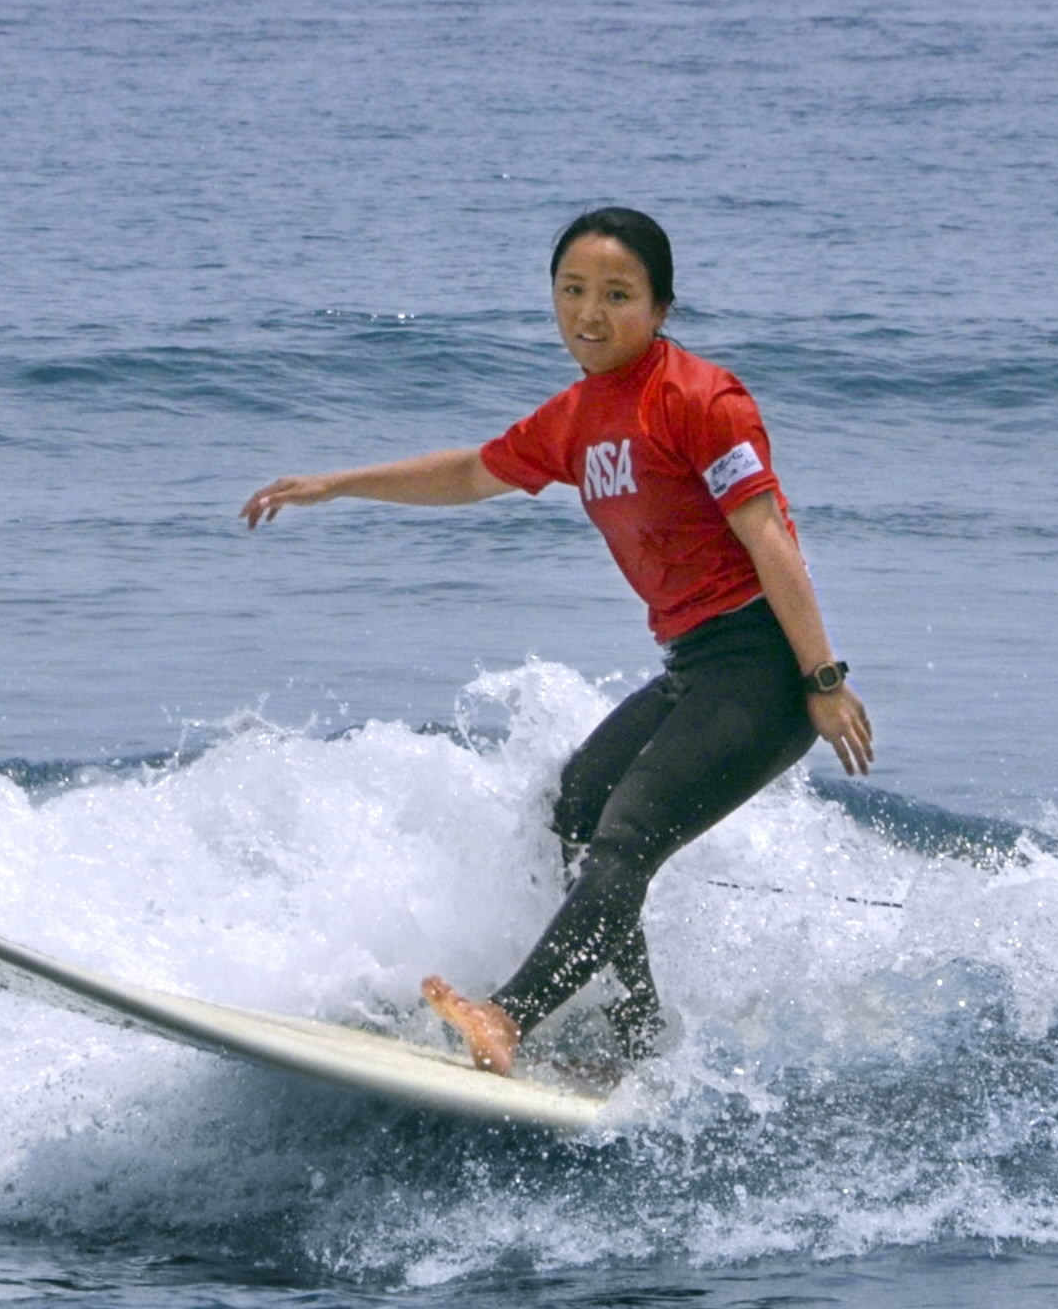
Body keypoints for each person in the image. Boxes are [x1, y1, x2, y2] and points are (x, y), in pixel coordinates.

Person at [241, 208, 873, 1077]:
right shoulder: (578, 417)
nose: (590, 313)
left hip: (763, 668)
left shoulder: (701, 399)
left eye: (617, 294)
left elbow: (768, 537)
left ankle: (509, 1016)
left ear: (660, 307)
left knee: (626, 836)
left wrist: (823, 679)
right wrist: (337, 485)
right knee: (577, 808)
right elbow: (472, 473)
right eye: (572, 291)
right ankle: (635, 1035)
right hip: (696, 664)